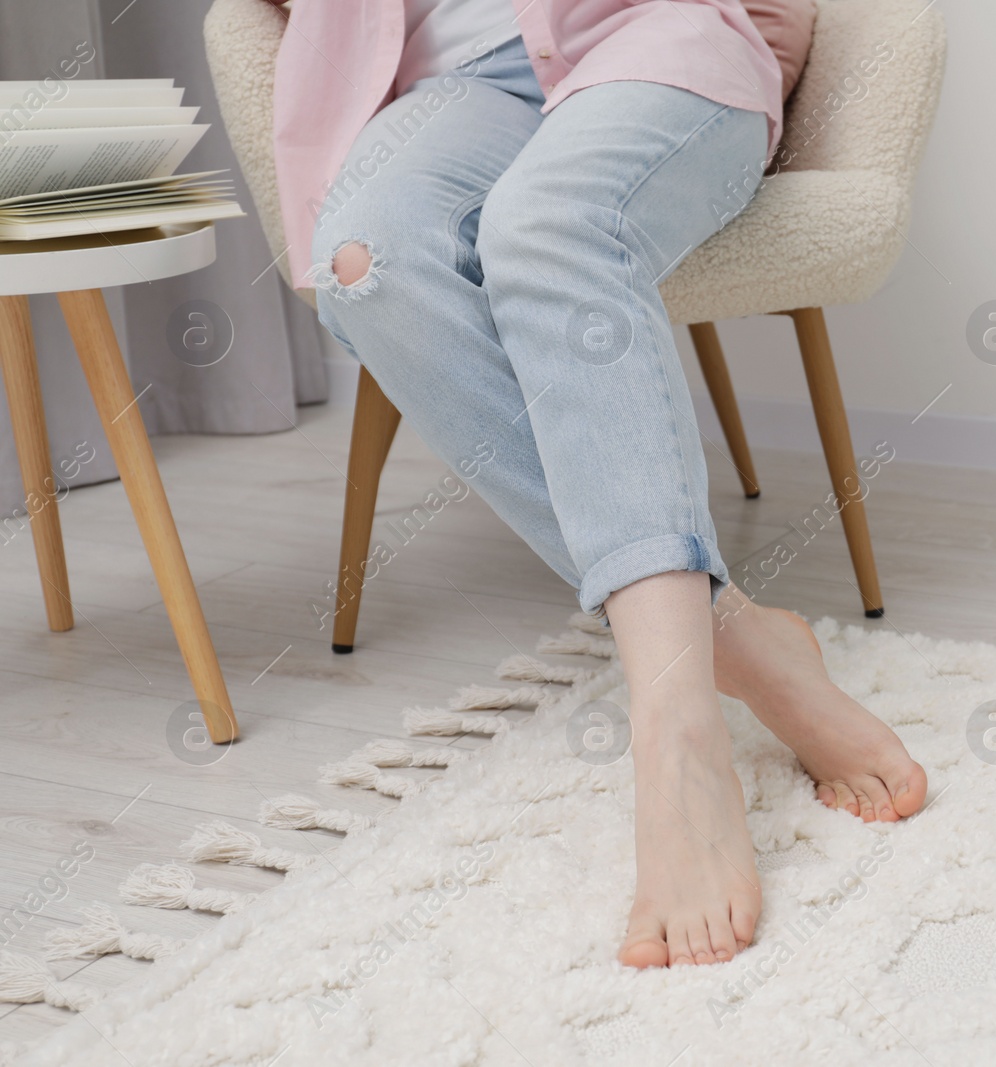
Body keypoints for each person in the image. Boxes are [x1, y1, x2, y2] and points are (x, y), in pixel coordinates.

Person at [267, 0, 928, 969]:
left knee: (547, 226)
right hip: (455, 78)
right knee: (369, 261)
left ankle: (678, 740)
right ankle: (736, 634)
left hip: (657, 36)